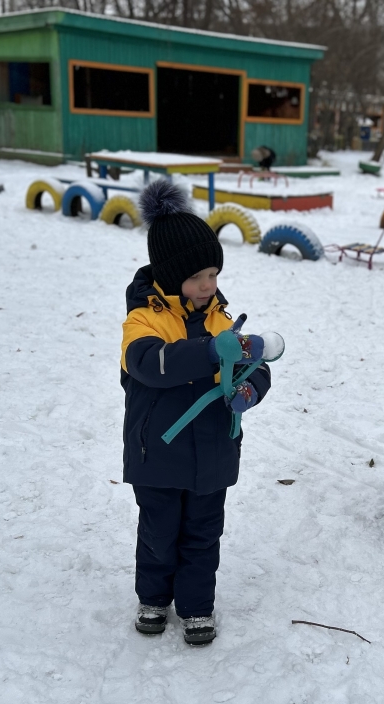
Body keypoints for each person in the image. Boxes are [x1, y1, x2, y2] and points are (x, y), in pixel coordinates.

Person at [121, 181, 271, 646]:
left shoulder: (220, 319)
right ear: (169, 276)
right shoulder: (142, 321)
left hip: (213, 453)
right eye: (197, 277)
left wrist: (250, 386)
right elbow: (150, 364)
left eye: (214, 274)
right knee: (159, 532)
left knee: (204, 535)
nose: (209, 285)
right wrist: (208, 351)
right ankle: (153, 598)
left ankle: (197, 607)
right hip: (158, 454)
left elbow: (252, 367)